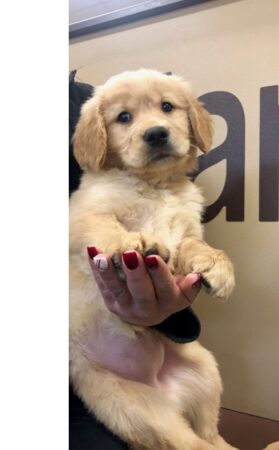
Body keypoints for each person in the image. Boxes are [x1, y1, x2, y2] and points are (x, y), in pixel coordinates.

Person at [69, 71, 203, 449]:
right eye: (124, 117)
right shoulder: (99, 185)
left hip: (147, 344)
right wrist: (117, 242)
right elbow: (83, 226)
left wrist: (168, 306)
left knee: (204, 372)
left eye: (166, 108)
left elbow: (178, 270)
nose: (155, 126)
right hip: (89, 357)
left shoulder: (78, 97)